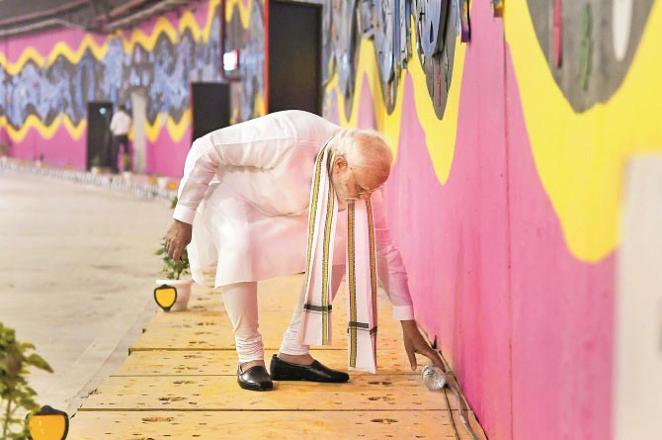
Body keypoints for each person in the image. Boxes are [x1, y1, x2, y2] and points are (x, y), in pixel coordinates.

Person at [164, 110, 443, 391]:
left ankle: (294, 353)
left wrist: (408, 324)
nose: (365, 197)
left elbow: (383, 249)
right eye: (360, 188)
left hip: (290, 208)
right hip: (235, 194)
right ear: (340, 165)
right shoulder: (290, 136)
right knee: (241, 242)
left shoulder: (364, 186)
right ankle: (249, 358)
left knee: (340, 242)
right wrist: (181, 219)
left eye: (370, 191)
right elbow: (206, 147)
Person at [109, 105, 132, 173]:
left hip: (117, 135)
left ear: (119, 109)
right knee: (126, 153)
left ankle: (114, 169)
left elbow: (112, 127)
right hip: (125, 135)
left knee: (115, 152)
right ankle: (127, 169)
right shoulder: (127, 117)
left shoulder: (116, 116)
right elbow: (129, 127)